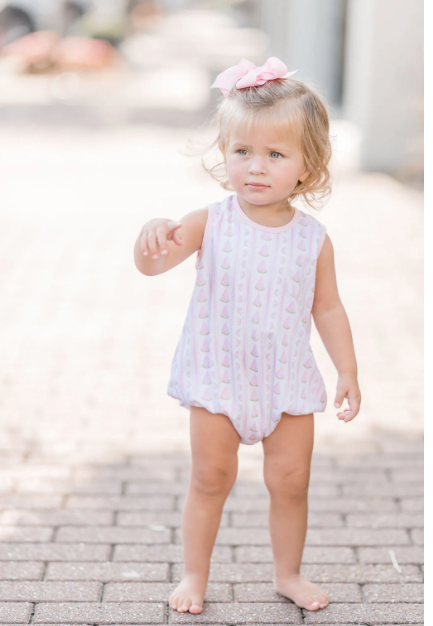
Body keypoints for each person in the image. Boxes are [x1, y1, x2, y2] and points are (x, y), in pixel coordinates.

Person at [133, 57, 361, 615]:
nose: (255, 167)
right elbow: (153, 266)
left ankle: (288, 573)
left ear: (308, 165)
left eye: (275, 155)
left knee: (292, 482)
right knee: (210, 479)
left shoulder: (313, 239)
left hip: (286, 380)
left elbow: (328, 308)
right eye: (242, 151)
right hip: (218, 376)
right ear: (225, 152)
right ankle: (194, 575)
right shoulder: (211, 221)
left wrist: (347, 370)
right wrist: (149, 237)